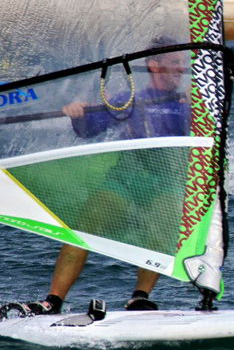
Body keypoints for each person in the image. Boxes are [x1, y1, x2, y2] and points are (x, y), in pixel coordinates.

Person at [22, 48, 189, 316]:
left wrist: (201, 109)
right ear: (154, 65)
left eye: (183, 63)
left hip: (166, 181)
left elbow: (206, 138)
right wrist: (79, 114)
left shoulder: (185, 103)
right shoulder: (129, 99)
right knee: (81, 230)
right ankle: (53, 301)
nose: (182, 69)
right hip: (125, 177)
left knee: (163, 228)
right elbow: (90, 131)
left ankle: (140, 297)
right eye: (175, 63)